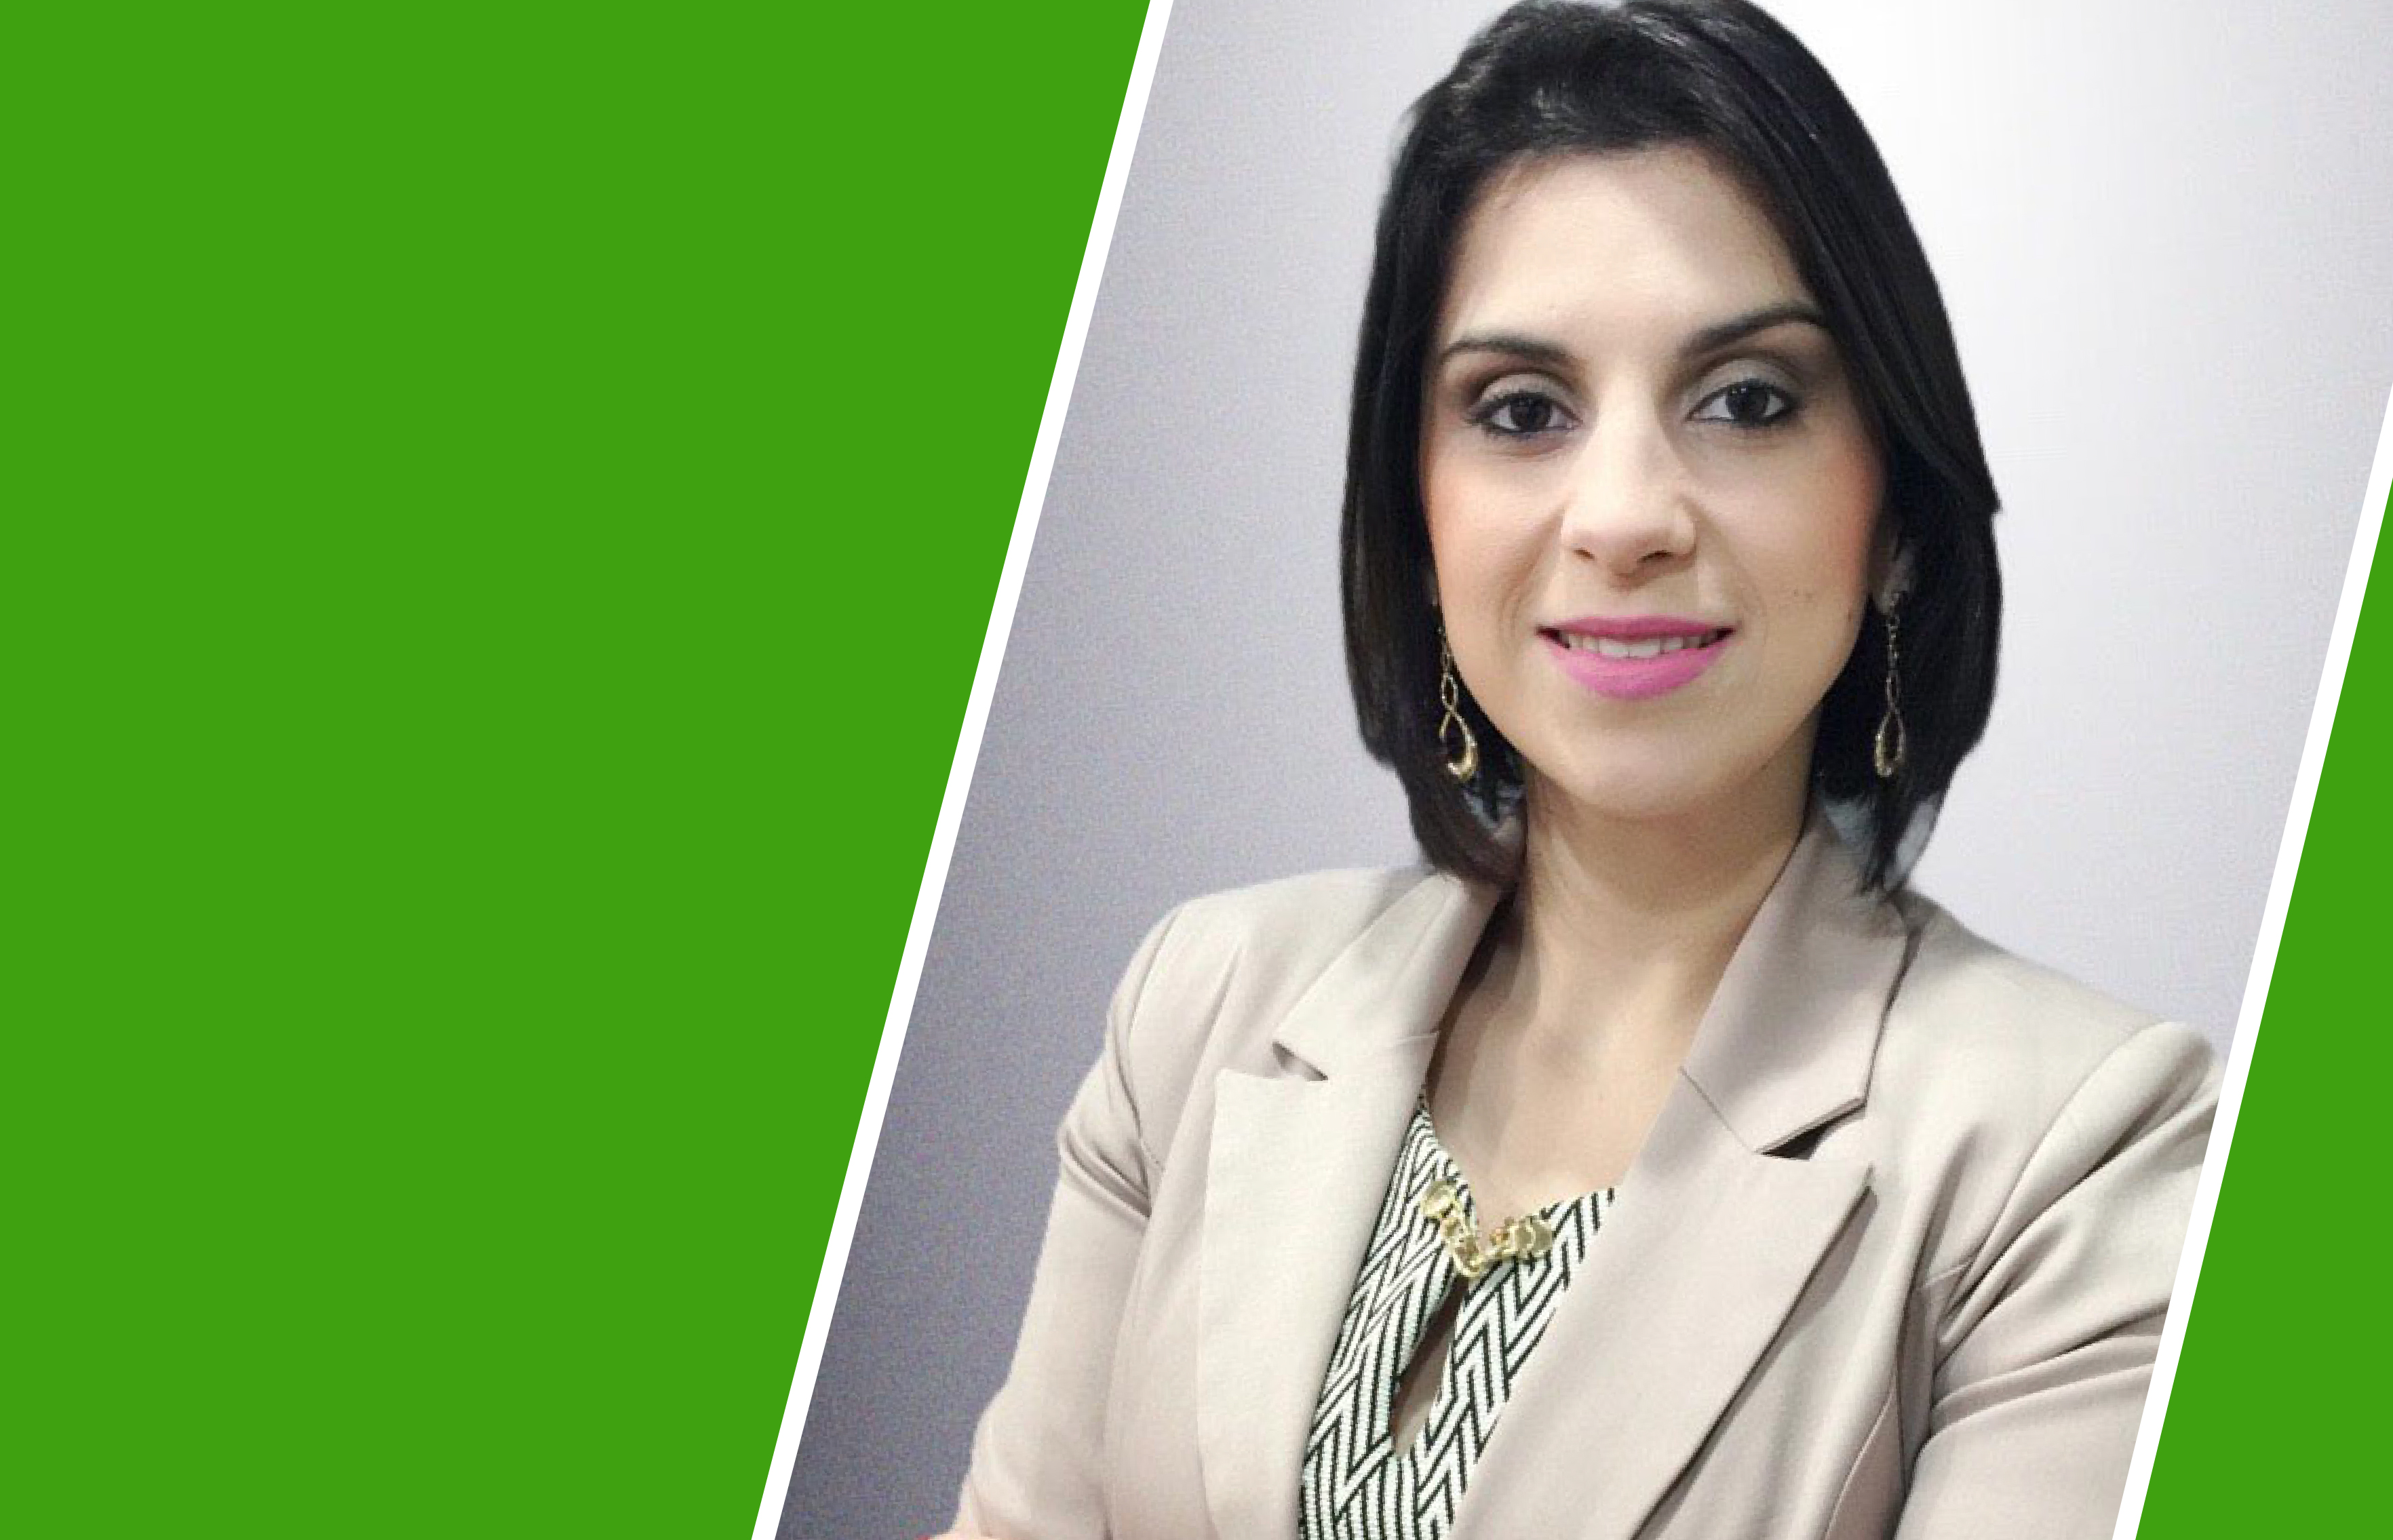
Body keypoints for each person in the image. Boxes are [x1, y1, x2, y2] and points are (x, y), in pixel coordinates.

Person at [948, 3, 2217, 1536]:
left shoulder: (2078, 1153)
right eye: (1522, 412)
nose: (1623, 517)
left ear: (1892, 512)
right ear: (1418, 510)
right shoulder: (1202, 1009)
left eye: (1747, 400)